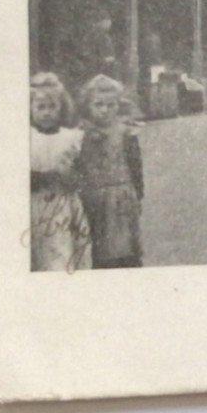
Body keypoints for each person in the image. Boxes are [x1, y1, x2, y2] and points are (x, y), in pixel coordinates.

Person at [74, 74, 144, 269]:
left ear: (118, 106)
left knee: (124, 248)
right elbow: (76, 167)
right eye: (99, 105)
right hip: (92, 198)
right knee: (96, 250)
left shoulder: (125, 132)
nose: (105, 110)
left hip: (121, 197)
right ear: (88, 106)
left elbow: (135, 165)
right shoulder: (81, 134)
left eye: (110, 105)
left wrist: (138, 195)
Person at [28, 72, 91, 272]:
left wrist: (69, 176)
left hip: (63, 206)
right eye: (40, 107)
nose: (47, 112)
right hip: (33, 204)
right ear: (30, 108)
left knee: (62, 253)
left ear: (61, 107)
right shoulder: (26, 138)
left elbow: (81, 176)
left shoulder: (71, 139)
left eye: (52, 106)